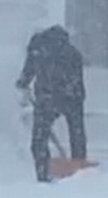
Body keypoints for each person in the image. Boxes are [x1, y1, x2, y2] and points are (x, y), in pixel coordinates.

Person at [15, 25, 87, 182]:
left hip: (47, 98)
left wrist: (22, 83)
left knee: (39, 139)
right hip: (72, 97)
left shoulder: (37, 49)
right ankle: (79, 169)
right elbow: (78, 82)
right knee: (77, 134)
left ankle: (43, 173)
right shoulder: (73, 53)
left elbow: (26, 74)